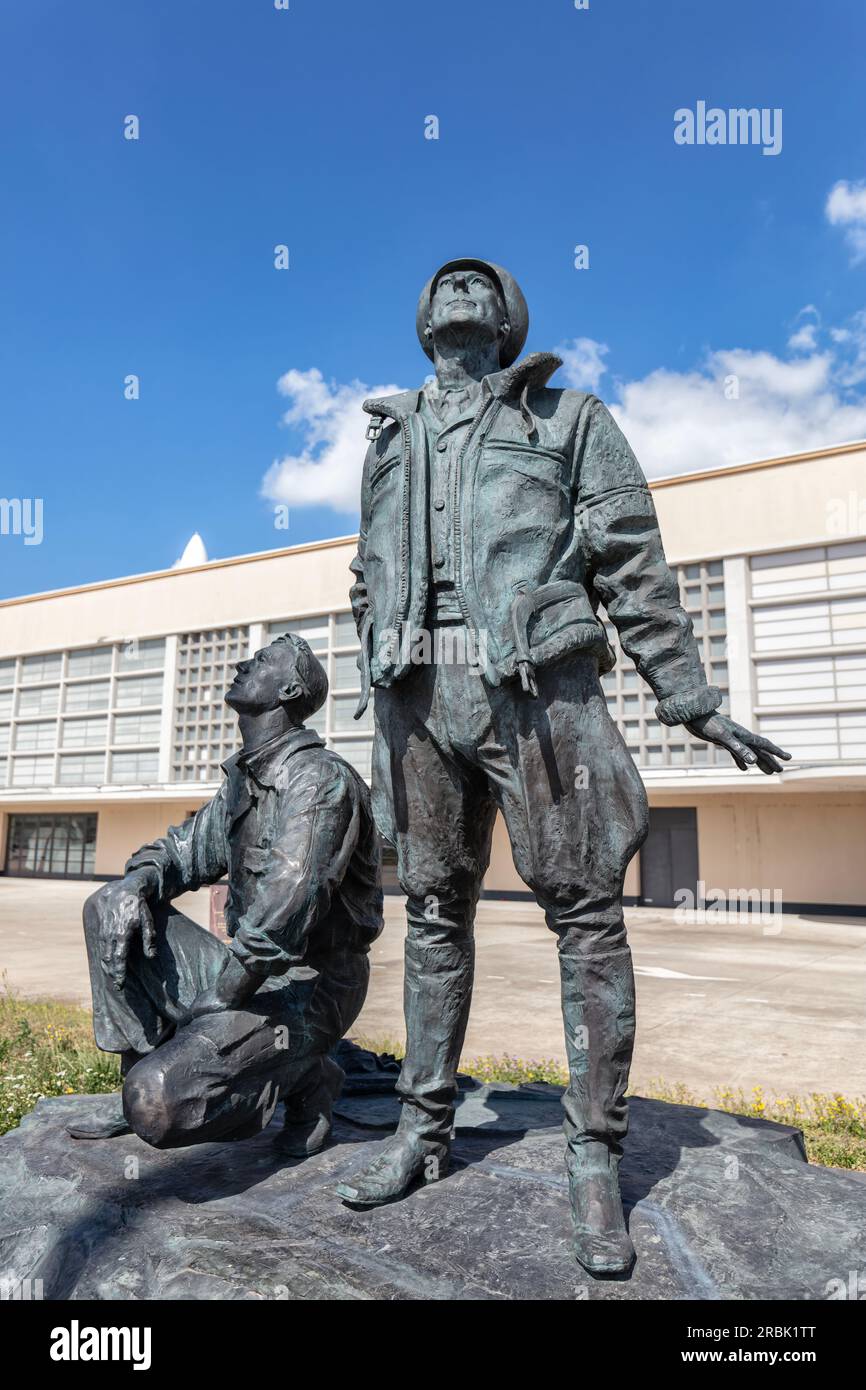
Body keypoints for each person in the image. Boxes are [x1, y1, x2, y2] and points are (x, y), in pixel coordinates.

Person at [337, 258, 790, 1275]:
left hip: (536, 690)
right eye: (441, 282)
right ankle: (421, 1129)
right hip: (418, 694)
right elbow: (365, 569)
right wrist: (378, 641)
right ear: (421, 322)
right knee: (432, 913)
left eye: (478, 282)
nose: (458, 285)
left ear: (507, 320)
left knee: (584, 914)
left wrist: (689, 696)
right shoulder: (389, 439)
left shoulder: (570, 418)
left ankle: (592, 1154)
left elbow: (631, 557)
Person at [70, 633, 383, 1155]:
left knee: (157, 1104)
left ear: (287, 689)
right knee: (108, 906)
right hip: (244, 972)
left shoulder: (320, 781)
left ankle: (308, 1077)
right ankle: (138, 1065)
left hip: (310, 986)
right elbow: (181, 853)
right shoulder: (242, 780)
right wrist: (136, 883)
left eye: (260, 661)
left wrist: (222, 996)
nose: (242, 663)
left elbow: (288, 905)